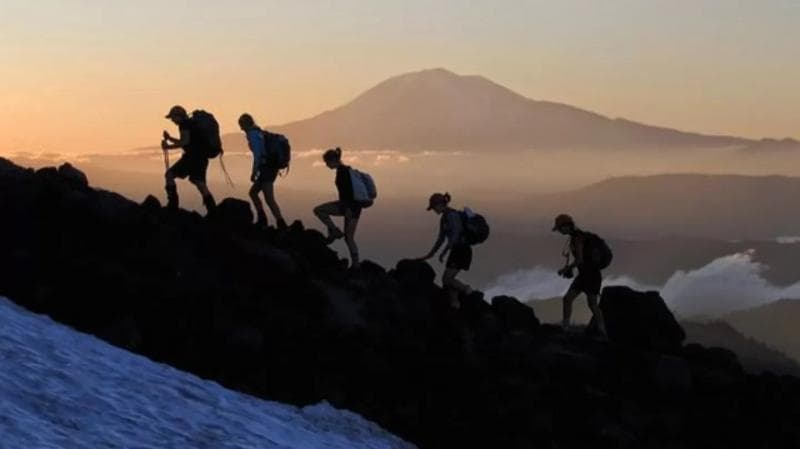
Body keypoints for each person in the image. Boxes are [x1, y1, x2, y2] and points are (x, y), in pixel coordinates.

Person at [553, 214, 608, 336]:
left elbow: (579, 260)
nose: (560, 231)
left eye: (560, 228)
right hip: (588, 275)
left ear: (567, 226)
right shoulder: (576, 237)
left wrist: (566, 269)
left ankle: (601, 330)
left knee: (589, 304)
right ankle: (601, 330)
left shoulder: (578, 238)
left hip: (590, 275)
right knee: (578, 301)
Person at [419, 193, 474, 309]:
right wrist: (429, 255)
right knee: (448, 280)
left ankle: (468, 291)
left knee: (447, 279)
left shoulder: (452, 215)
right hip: (456, 250)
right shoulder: (444, 218)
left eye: (434, 207)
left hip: (462, 250)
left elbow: (455, 235)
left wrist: (444, 252)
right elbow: (440, 239)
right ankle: (455, 304)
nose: (434, 210)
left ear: (439, 204)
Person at [313, 148, 362, 269]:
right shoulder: (346, 170)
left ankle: (334, 231)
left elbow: (347, 193)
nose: (326, 165)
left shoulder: (343, 173)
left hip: (349, 207)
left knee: (319, 210)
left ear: (333, 160)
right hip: (353, 207)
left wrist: (348, 209)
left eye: (327, 162)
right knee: (349, 238)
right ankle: (356, 265)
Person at [161, 105, 216, 213]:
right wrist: (170, 139)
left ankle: (173, 205)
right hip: (201, 157)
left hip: (192, 157)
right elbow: (187, 142)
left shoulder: (184, 124)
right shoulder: (191, 124)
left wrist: (168, 147)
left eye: (173, 117)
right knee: (199, 183)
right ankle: (213, 210)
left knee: (169, 175)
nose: (172, 120)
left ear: (178, 116)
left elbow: (185, 142)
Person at [238, 113, 288, 230]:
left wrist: (254, 172)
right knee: (253, 193)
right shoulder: (259, 132)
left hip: (267, 169)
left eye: (241, 125)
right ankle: (264, 219)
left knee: (269, 198)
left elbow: (258, 155)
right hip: (269, 168)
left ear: (244, 125)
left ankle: (280, 223)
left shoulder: (253, 134)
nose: (240, 128)